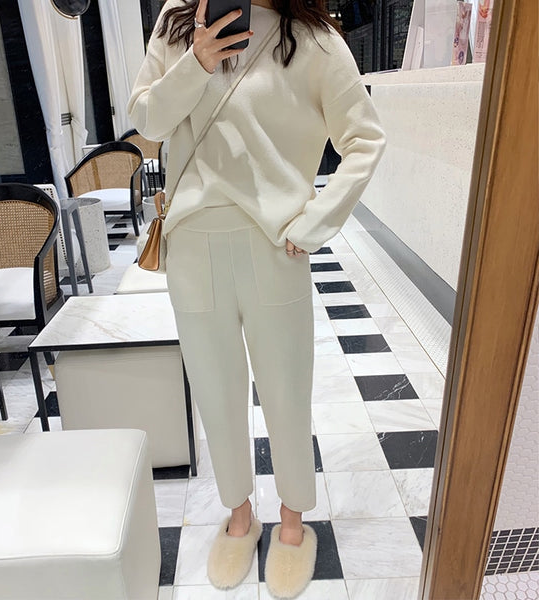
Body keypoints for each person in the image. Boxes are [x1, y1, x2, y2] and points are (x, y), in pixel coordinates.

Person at [127, 0, 385, 596]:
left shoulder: (311, 39)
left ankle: (293, 522)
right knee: (215, 392)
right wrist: (196, 62)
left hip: (275, 246)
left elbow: (366, 139)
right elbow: (147, 121)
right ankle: (239, 515)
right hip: (192, 245)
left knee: (286, 391)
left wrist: (315, 222)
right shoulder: (177, 23)